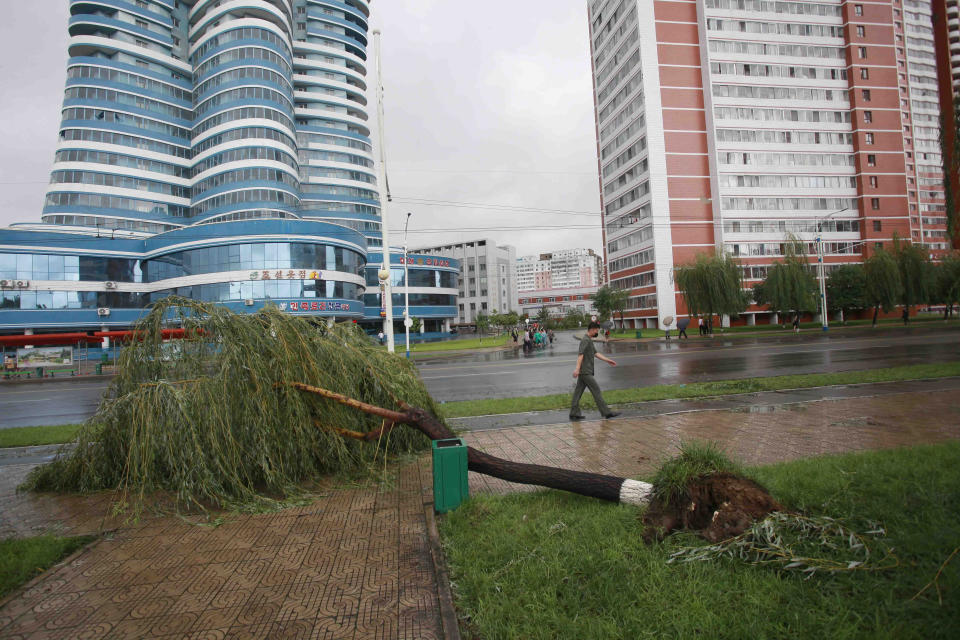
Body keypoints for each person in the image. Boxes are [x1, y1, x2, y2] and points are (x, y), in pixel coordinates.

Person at [569, 322, 620, 421]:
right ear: (592, 329)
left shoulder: (589, 340)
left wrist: (608, 360)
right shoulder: (585, 340)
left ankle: (574, 413)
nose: (597, 332)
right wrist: (577, 369)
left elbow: (596, 353)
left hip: (584, 372)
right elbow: (581, 355)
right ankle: (607, 412)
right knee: (596, 391)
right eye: (597, 330)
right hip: (585, 372)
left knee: (577, 393)